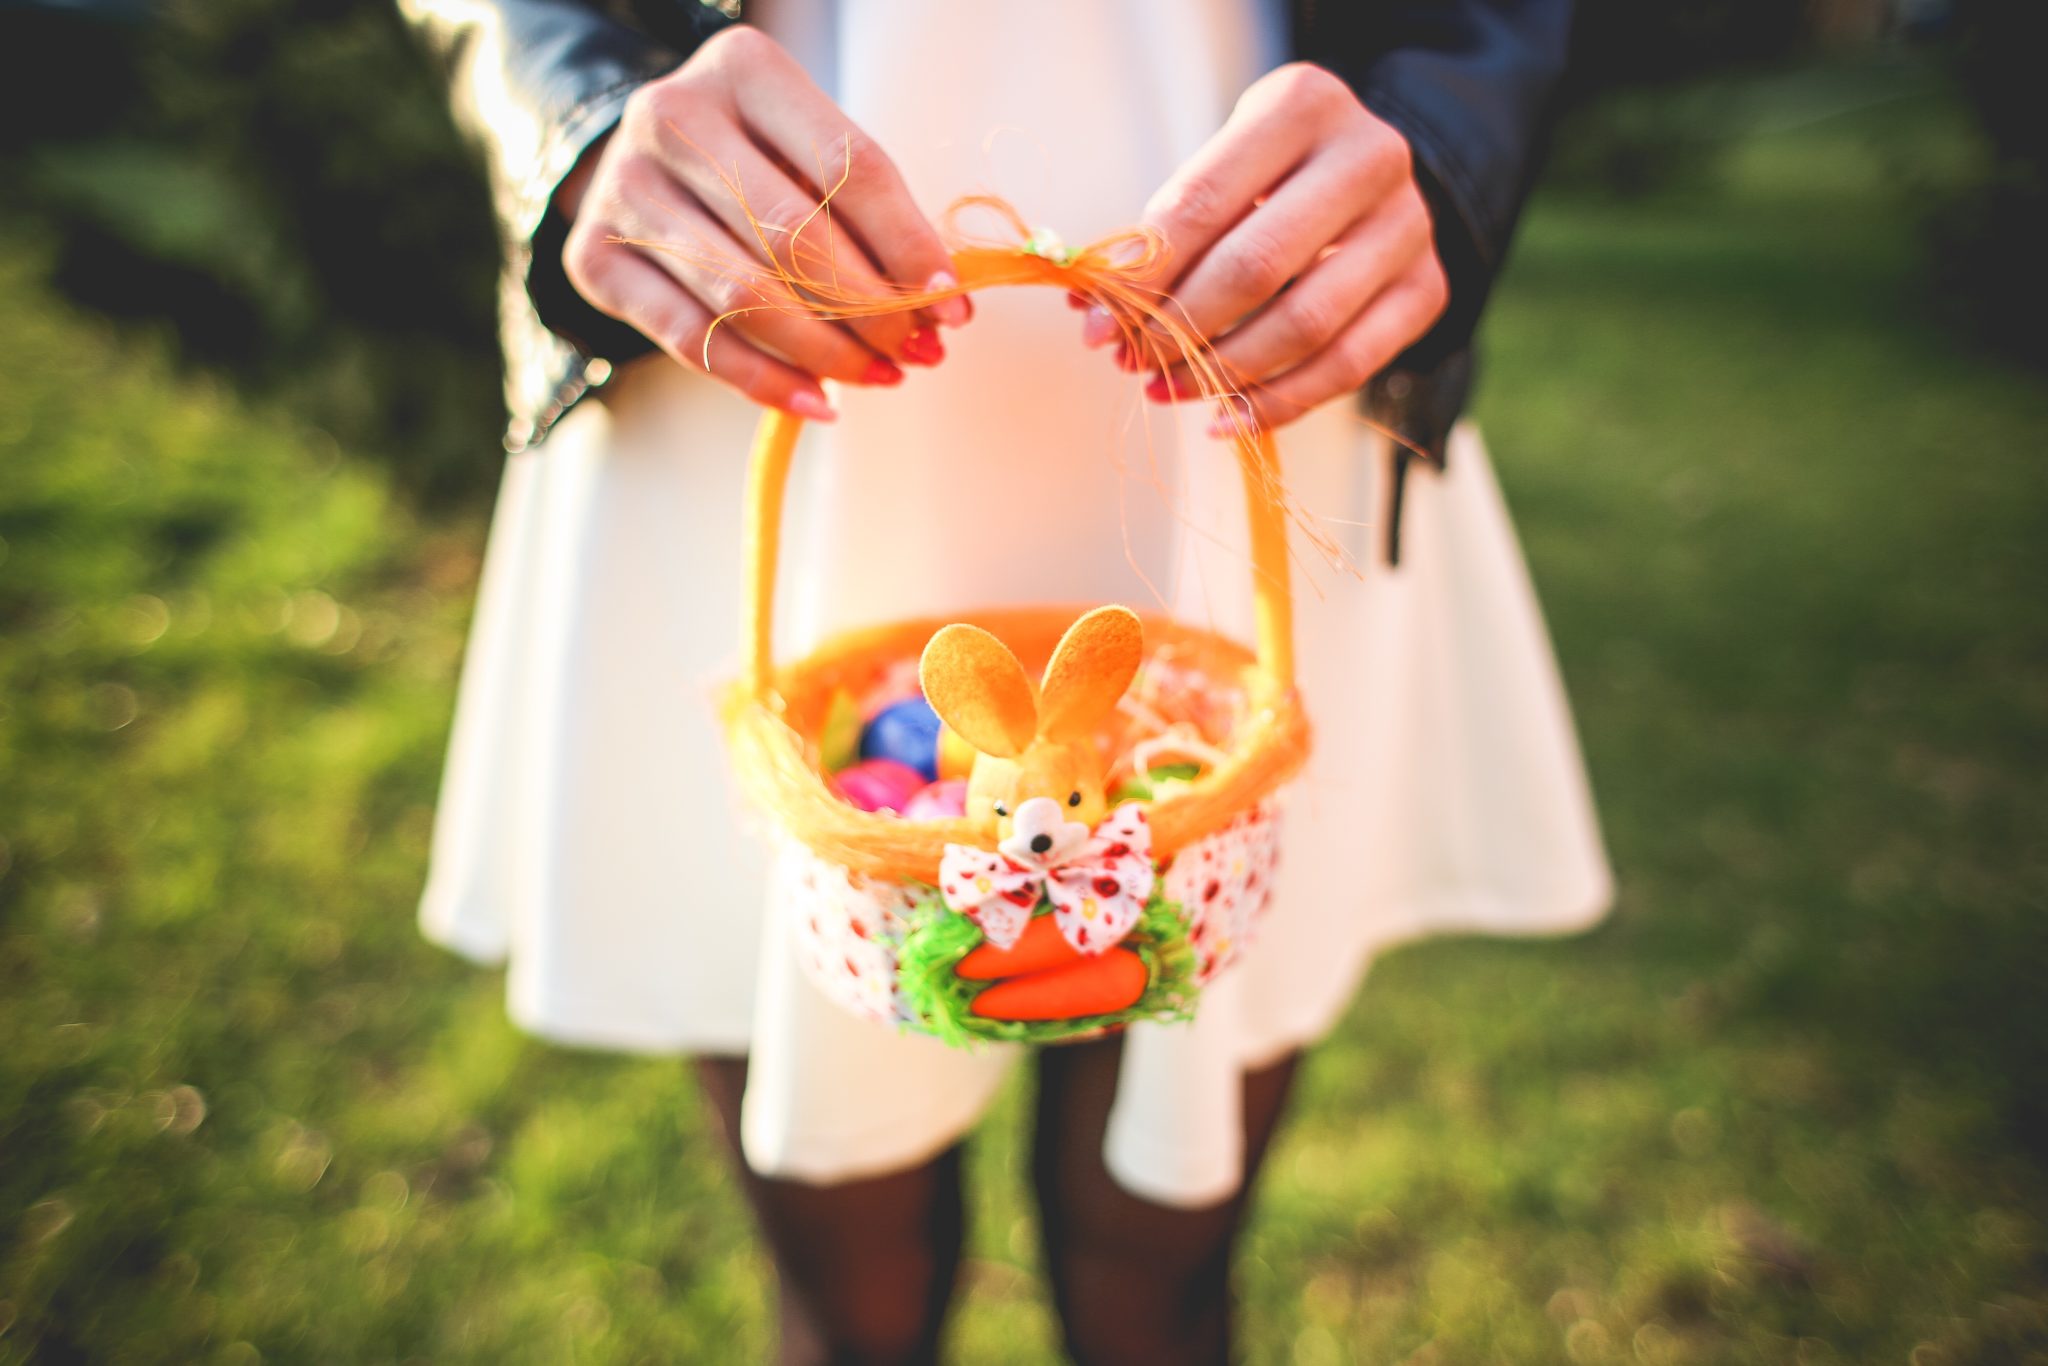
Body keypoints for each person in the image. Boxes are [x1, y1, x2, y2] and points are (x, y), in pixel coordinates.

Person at [401, 1, 1611, 1361]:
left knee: (1166, 1271)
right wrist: (580, 117)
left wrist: (1440, 148)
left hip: (1267, 307)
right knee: (846, 1293)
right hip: (740, 303)